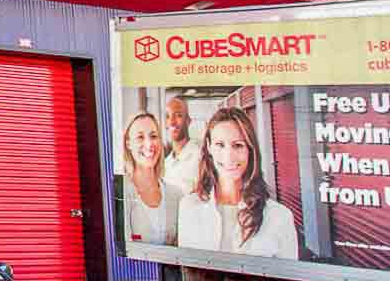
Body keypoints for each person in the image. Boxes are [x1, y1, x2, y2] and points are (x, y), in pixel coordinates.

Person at [177, 106, 298, 259]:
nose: (229, 156)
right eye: (220, 145)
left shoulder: (279, 217)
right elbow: (187, 270)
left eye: (238, 145)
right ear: (209, 147)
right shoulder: (188, 207)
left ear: (250, 149)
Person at [118, 112, 180, 247]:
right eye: (140, 137)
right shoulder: (120, 193)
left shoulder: (176, 195)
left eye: (153, 136)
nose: (149, 143)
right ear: (128, 144)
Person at [160, 94, 204, 196]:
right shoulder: (167, 163)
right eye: (168, 116)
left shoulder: (201, 155)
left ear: (188, 121)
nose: (172, 122)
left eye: (178, 115)